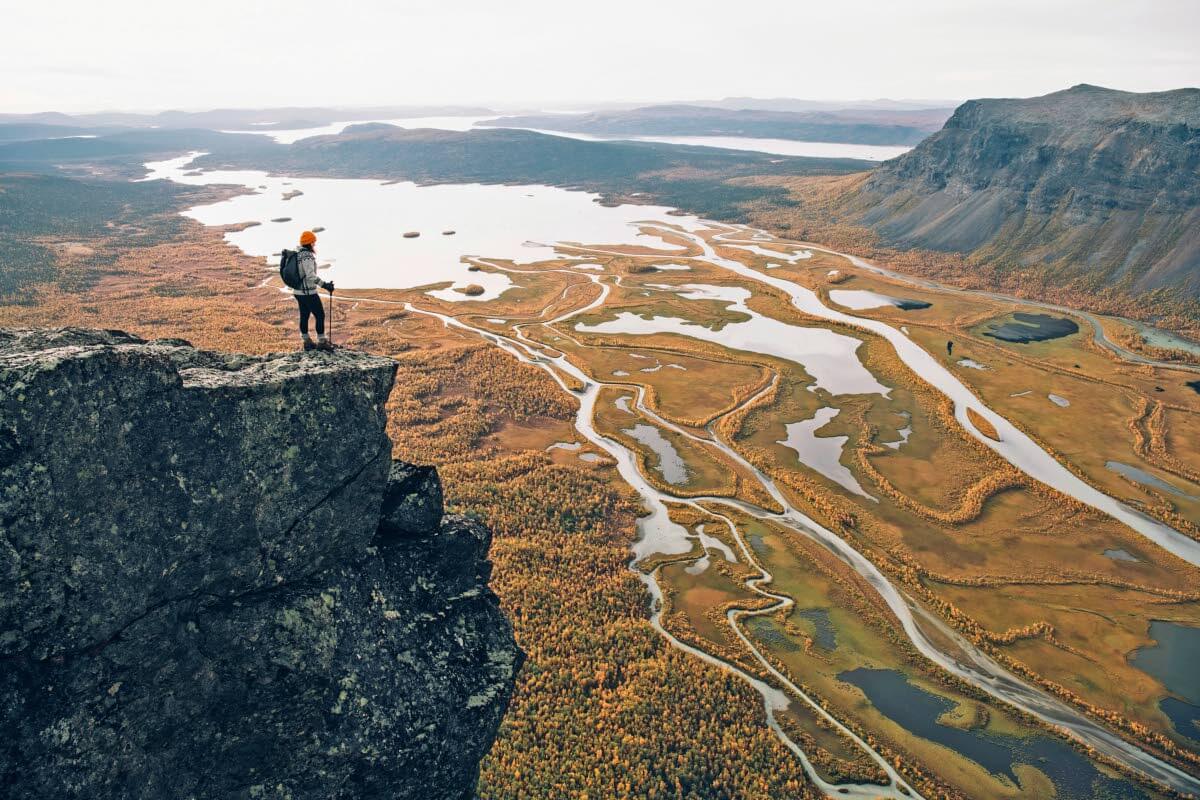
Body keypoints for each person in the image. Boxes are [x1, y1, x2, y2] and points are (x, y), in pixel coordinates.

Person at [293, 230, 334, 351]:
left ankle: (307, 342)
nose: (314, 244)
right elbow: (310, 275)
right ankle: (322, 342)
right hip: (308, 292)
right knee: (320, 315)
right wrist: (325, 285)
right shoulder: (307, 256)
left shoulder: (297, 254)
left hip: (298, 292)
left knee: (304, 316)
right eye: (313, 242)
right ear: (310, 243)